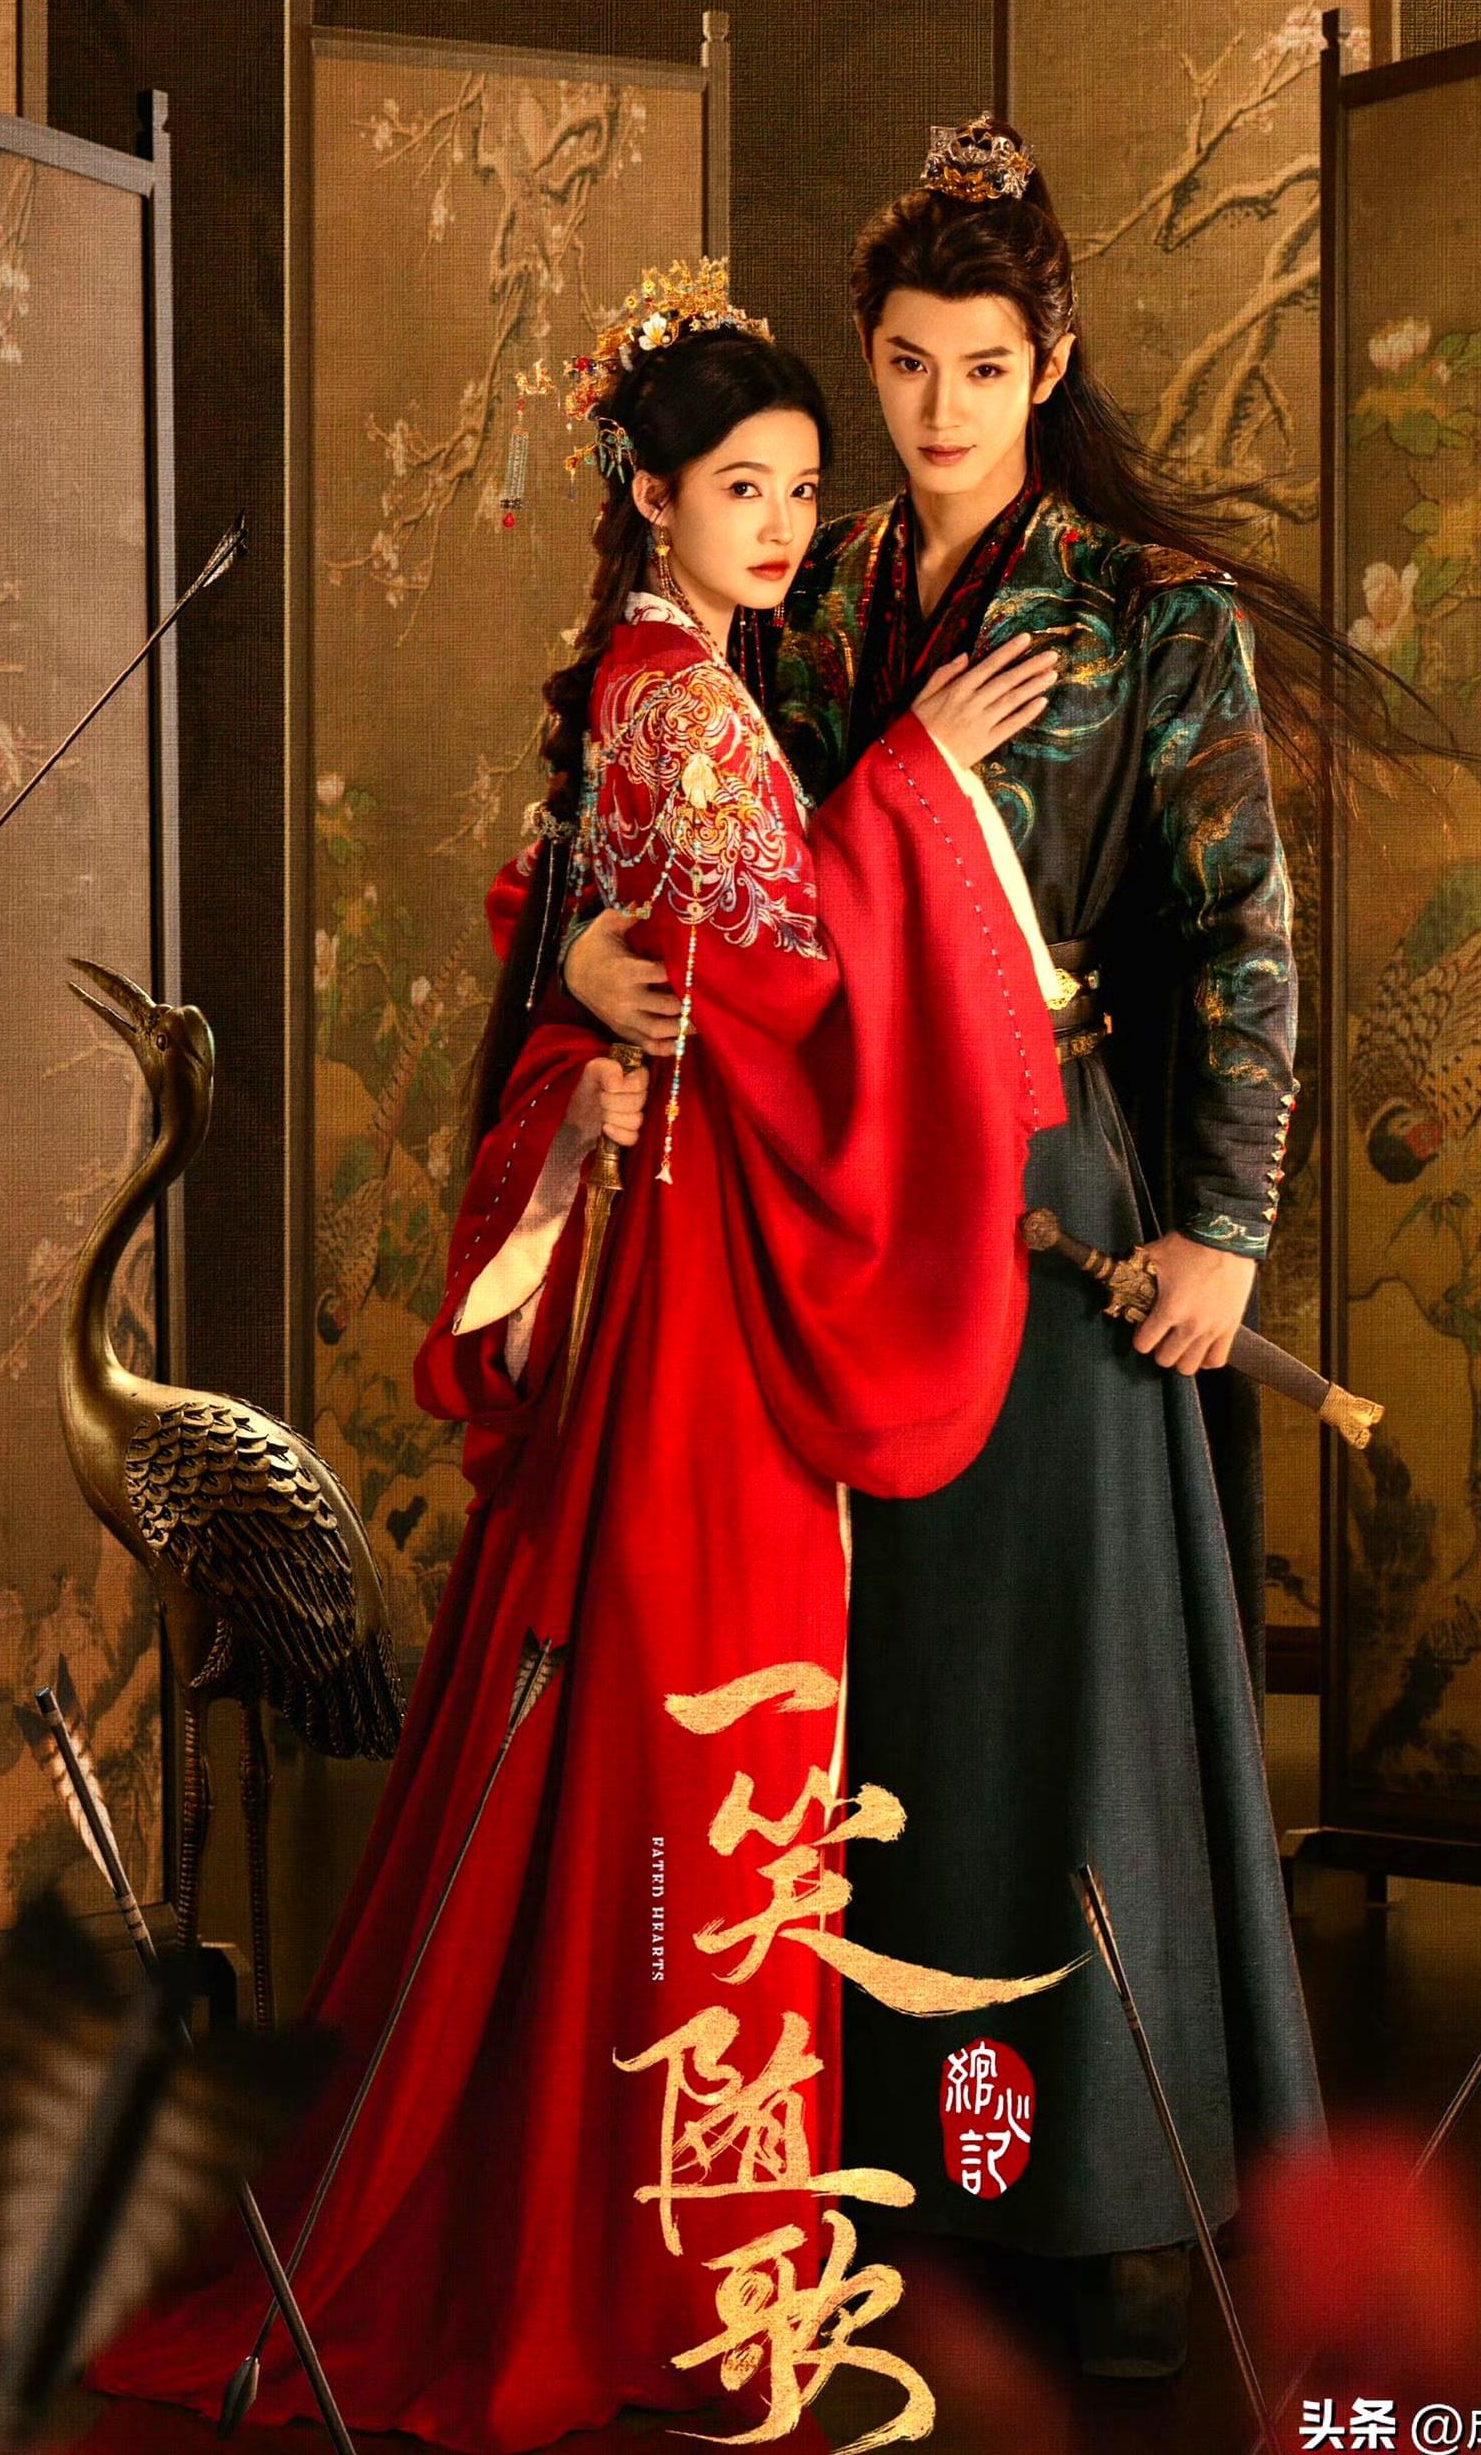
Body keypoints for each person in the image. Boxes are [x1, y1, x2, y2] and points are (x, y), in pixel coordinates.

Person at [90, 268, 1072, 2453]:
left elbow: (667, 953)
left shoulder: (668, 694)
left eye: (801, 490)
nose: (785, 527)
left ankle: (644, 2230)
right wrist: (915, 781)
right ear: (651, 498)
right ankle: (674, 2269)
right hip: (701, 1287)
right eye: (744, 490)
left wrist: (618, 977)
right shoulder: (683, 708)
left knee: (666, 1720)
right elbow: (799, 993)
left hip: (680, 1251)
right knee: (711, 1720)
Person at [564, 132, 1326, 2378]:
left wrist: (1220, 1227)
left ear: (1048, 362)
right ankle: (894, 2163)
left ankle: (1090, 2198)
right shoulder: (813, 589)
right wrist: (595, 957)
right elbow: (719, 861)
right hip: (842, 1194)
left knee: (1067, 1700)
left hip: (1052, 1184)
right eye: (904, 364)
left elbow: (1241, 930)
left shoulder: (1148, 608)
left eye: (982, 367)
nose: (938, 410)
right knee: (891, 1692)